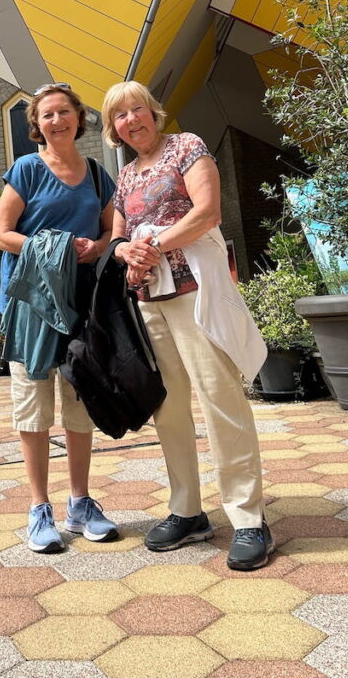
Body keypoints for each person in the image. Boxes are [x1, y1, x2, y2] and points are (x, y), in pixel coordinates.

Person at [101, 80, 273, 571]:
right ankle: (187, 510)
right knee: (169, 408)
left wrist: (152, 246)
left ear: (154, 112)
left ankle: (247, 518)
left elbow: (208, 213)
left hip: (195, 293)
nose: (132, 119)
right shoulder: (126, 176)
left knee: (221, 399)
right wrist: (123, 251)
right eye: (120, 115)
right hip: (149, 302)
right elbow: (116, 238)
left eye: (138, 109)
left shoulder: (187, 146)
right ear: (114, 129)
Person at [0, 82, 118, 553]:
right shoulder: (26, 169)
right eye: (47, 115)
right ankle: (39, 508)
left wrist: (99, 246)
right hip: (32, 308)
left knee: (79, 402)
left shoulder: (97, 175)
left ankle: (81, 502)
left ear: (78, 118)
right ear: (36, 126)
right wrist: (59, 246)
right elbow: (1, 235)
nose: (57, 120)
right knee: (34, 407)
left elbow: (110, 229)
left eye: (65, 111)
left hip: (81, 306)